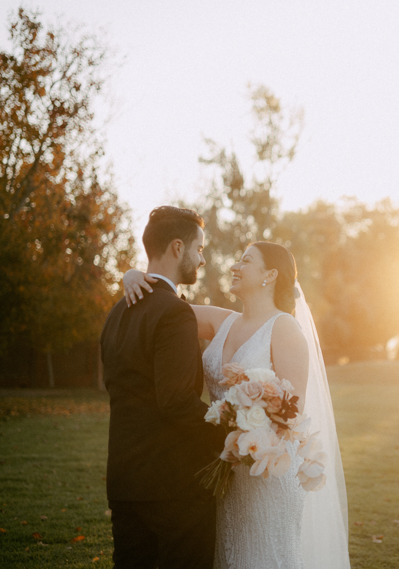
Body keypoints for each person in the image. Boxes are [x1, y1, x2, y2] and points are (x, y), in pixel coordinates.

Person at [123, 241, 350, 569]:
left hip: (265, 472)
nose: (234, 266)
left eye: (245, 261)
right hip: (225, 472)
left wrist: (245, 436)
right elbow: (163, 308)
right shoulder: (221, 322)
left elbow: (290, 413)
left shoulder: (284, 328)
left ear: (269, 275)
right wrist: (132, 275)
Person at [101, 206, 223, 569]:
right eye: (198, 249)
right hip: (173, 488)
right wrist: (231, 431)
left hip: (125, 483)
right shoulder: (174, 313)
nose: (201, 259)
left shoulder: (117, 311)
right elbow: (178, 402)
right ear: (176, 247)